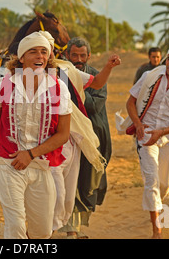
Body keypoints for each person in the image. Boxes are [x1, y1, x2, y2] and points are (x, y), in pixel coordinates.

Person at [0, 31, 72, 239]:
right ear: (21, 58)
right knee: (16, 225)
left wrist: (31, 154)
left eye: (44, 52)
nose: (39, 57)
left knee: (42, 232)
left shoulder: (58, 88)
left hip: (41, 166)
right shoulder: (5, 84)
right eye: (33, 52)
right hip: (8, 165)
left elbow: (63, 134)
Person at [116, 43, 169, 238]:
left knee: (165, 185)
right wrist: (138, 124)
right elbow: (130, 102)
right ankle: (157, 231)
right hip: (146, 136)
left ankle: (161, 217)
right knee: (151, 180)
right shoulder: (149, 77)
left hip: (167, 138)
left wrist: (162, 132)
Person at [59, 37, 113, 239]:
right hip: (66, 137)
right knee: (67, 180)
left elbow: (92, 106)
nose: (78, 59)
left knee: (87, 184)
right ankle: (71, 229)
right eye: (74, 55)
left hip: (94, 138)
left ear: (89, 56)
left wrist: (74, 86)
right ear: (67, 55)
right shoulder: (61, 75)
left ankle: (75, 226)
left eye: (82, 56)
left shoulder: (98, 77)